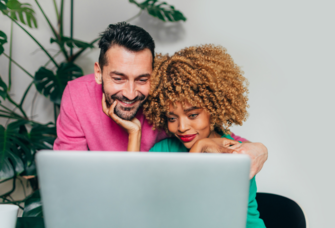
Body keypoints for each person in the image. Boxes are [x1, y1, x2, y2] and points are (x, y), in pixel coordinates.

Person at [54, 22, 268, 178]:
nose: (130, 93)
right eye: (118, 78)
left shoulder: (164, 103)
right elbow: (70, 177)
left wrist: (260, 149)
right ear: (99, 73)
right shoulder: (76, 95)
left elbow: (217, 135)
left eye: (142, 79)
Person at [120, 44, 265, 227]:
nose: (182, 127)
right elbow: (133, 205)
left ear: (213, 108)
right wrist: (135, 133)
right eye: (172, 118)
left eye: (192, 115)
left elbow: (203, 213)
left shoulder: (235, 155)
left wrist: (201, 146)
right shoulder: (162, 150)